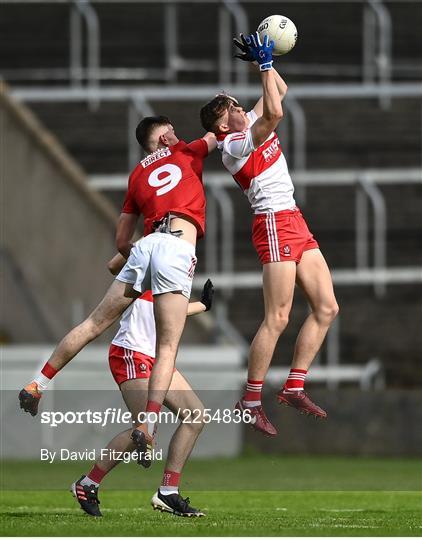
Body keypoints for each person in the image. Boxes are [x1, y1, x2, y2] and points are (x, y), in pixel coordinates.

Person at [19, 117, 217, 457]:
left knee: (94, 323)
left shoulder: (137, 174)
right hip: (176, 246)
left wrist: (141, 258)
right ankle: (148, 424)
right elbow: (222, 134)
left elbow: (122, 241)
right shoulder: (184, 150)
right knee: (167, 347)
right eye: (170, 130)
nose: (176, 134)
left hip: (147, 245)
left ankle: (38, 383)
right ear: (166, 136)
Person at [199, 33, 339, 437]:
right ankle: (251, 399)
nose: (243, 109)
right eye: (235, 108)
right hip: (274, 223)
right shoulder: (235, 143)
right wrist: (262, 66)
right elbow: (275, 113)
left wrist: (266, 61)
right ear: (224, 123)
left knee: (327, 308)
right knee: (277, 317)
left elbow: (280, 89)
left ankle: (294, 386)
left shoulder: (248, 124)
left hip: (293, 219)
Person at [71, 273, 214, 519]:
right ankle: (88, 483)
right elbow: (117, 262)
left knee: (196, 415)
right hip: (132, 352)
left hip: (157, 357)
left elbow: (166, 309)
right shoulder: (150, 252)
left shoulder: (173, 259)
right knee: (145, 428)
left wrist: (202, 305)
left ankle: (168, 491)